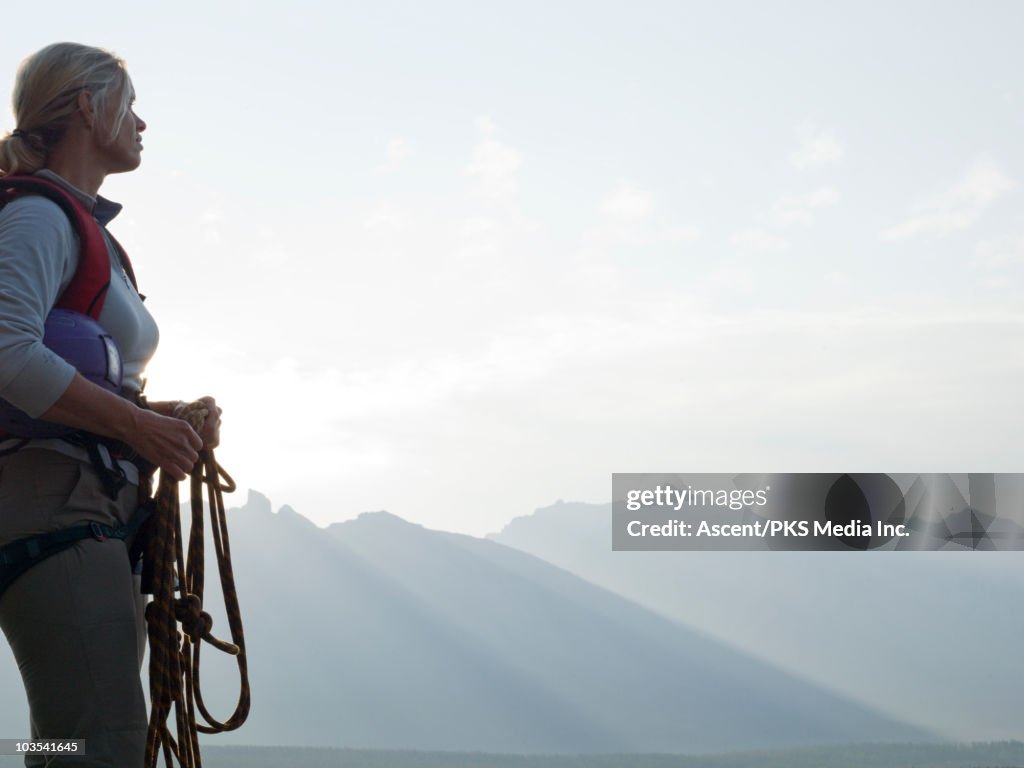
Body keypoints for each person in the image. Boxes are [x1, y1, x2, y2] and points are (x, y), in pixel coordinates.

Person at [0, 42, 220, 766]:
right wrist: (141, 429)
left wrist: (157, 416)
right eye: (132, 105)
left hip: (85, 508)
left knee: (75, 738)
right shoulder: (40, 219)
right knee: (96, 742)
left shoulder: (81, 228)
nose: (144, 124)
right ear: (90, 108)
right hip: (55, 507)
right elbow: (5, 350)